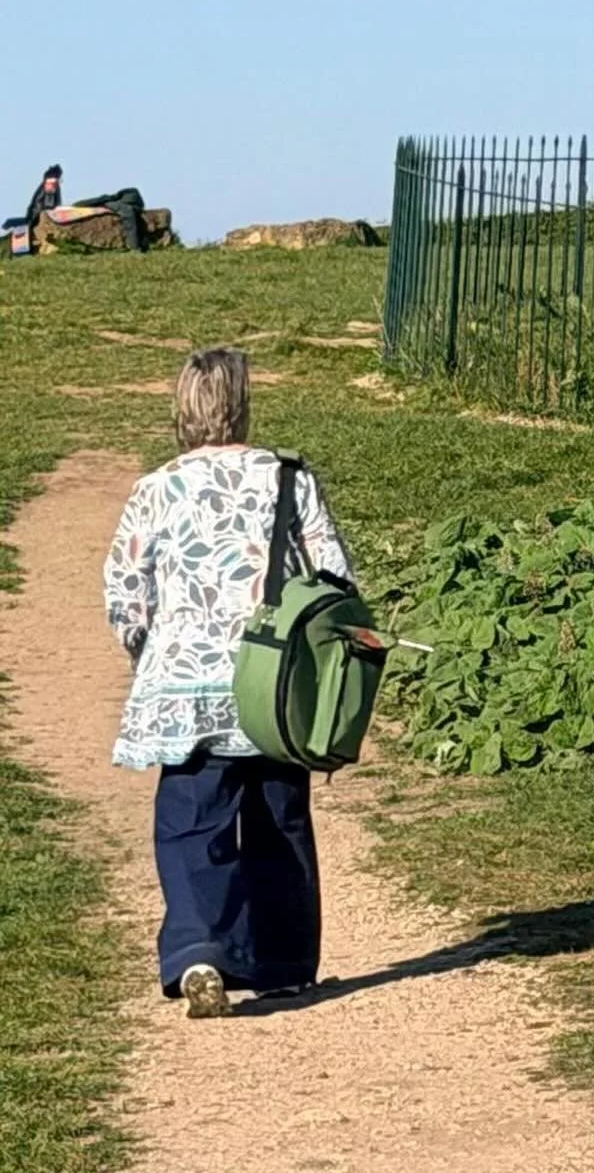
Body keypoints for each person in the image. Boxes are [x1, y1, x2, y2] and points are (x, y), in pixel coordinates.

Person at [103, 347, 356, 1018]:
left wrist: (147, 649)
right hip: (272, 681)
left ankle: (197, 950)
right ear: (243, 403)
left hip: (185, 684)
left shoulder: (156, 489)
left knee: (190, 821)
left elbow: (125, 591)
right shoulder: (287, 479)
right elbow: (333, 576)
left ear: (181, 408)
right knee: (279, 816)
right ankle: (283, 962)